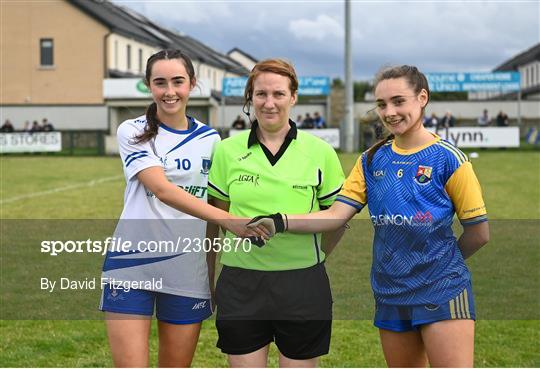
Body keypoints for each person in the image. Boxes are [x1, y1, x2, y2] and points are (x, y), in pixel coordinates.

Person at [249, 65, 490, 367]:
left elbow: (479, 233)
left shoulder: (448, 159)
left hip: (442, 290)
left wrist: (440, 265)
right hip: (390, 292)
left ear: (422, 98)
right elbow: (336, 215)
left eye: (399, 101)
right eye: (381, 104)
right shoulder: (371, 160)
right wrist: (281, 220)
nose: (389, 112)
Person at [99, 49, 267, 368]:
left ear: (192, 84)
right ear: (149, 86)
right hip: (133, 265)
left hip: (187, 270)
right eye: (160, 83)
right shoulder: (132, 130)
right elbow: (162, 189)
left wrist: (210, 274)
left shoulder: (211, 140)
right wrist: (231, 220)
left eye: (178, 81)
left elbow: (212, 213)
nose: (169, 91)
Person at [207, 58, 345, 367]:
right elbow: (216, 219)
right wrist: (208, 277)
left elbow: (338, 219)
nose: (269, 103)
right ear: (250, 98)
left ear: (293, 97)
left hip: (302, 284)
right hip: (241, 283)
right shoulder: (227, 151)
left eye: (279, 94)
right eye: (261, 94)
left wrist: (314, 258)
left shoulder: (320, 152)